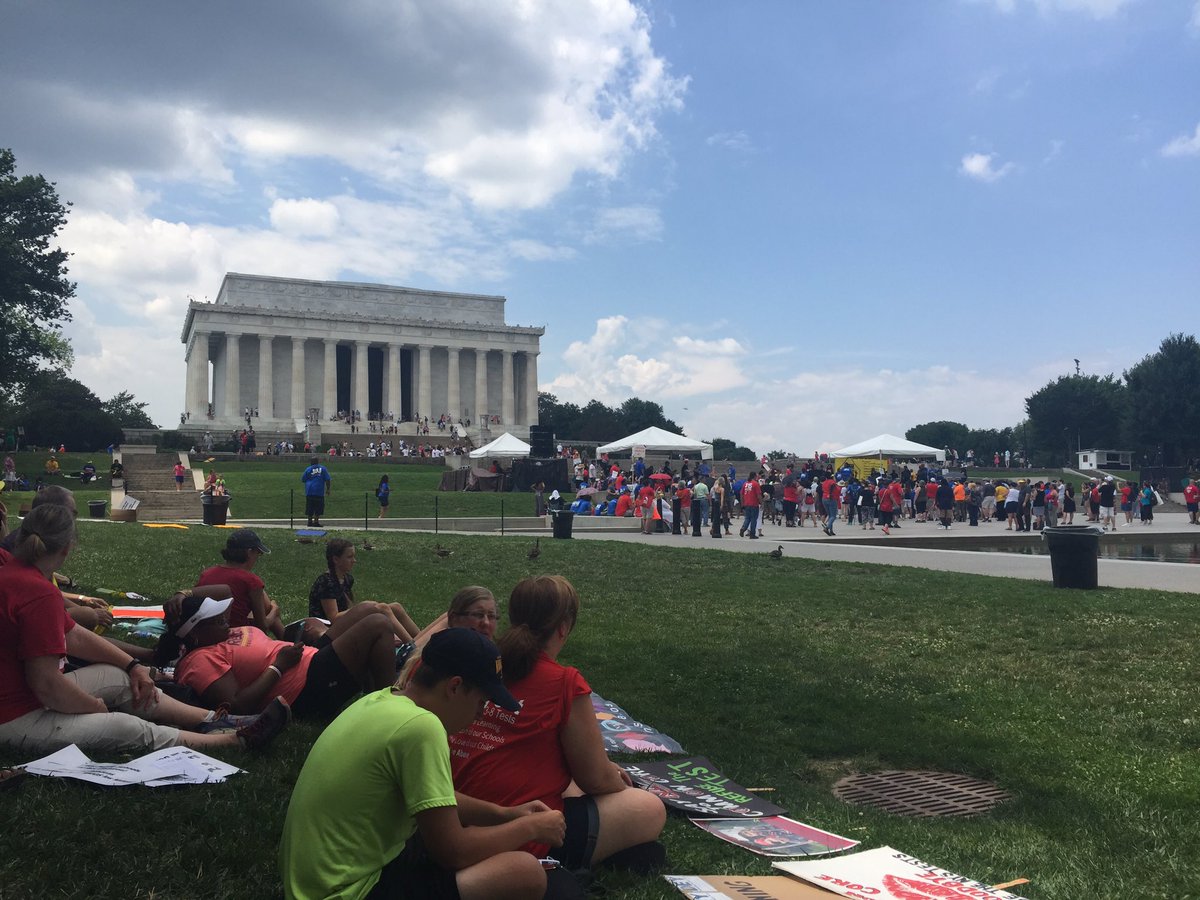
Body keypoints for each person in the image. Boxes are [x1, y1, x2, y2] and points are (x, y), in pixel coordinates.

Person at [279, 628, 565, 900]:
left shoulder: (382, 701)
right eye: (482, 702)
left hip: (313, 884)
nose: (481, 714)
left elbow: (436, 799)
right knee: (525, 873)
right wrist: (533, 828)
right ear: (454, 687)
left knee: (476, 840)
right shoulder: (422, 728)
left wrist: (507, 814)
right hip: (347, 891)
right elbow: (453, 851)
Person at [0, 506, 289, 754]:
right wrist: (94, 707)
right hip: (16, 718)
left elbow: (73, 634)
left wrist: (133, 665)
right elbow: (47, 686)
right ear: (66, 547)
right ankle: (232, 742)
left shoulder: (14, 574)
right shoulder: (38, 594)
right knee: (124, 727)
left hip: (24, 699)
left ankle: (216, 719)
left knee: (119, 677)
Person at [450, 576, 666, 886]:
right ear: (564, 627)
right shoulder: (563, 681)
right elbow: (595, 778)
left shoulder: (482, 662)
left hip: (453, 814)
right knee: (648, 808)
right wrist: (617, 780)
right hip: (517, 828)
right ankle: (579, 859)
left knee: (571, 787)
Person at [159, 594, 397, 719]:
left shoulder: (221, 636)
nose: (226, 621)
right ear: (195, 635)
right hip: (307, 688)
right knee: (378, 625)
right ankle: (389, 712)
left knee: (368, 609)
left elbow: (222, 591)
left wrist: (183, 594)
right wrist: (278, 667)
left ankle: (375, 696)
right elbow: (236, 706)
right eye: (217, 620)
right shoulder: (200, 660)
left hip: (308, 657)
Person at [308, 538, 419, 642]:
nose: (354, 561)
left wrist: (363, 610)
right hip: (327, 632)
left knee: (396, 607)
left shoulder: (346, 579)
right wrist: (363, 608)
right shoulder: (326, 581)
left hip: (343, 625)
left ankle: (420, 639)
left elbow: (348, 607)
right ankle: (411, 647)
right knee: (381, 608)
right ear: (336, 559)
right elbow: (333, 618)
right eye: (349, 557)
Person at [196, 529, 285, 638]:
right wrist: (275, 610)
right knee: (269, 608)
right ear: (249, 552)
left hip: (205, 634)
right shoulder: (251, 580)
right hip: (235, 635)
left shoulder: (207, 574)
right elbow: (263, 626)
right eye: (258, 552)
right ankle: (289, 642)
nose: (258, 557)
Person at [301, 455, 332, 527]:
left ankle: (309, 522)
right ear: (317, 462)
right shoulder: (323, 469)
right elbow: (328, 479)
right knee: (318, 507)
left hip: (309, 491)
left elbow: (303, 479)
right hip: (319, 491)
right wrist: (328, 489)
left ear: (311, 462)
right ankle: (316, 522)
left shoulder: (308, 469)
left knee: (310, 507)